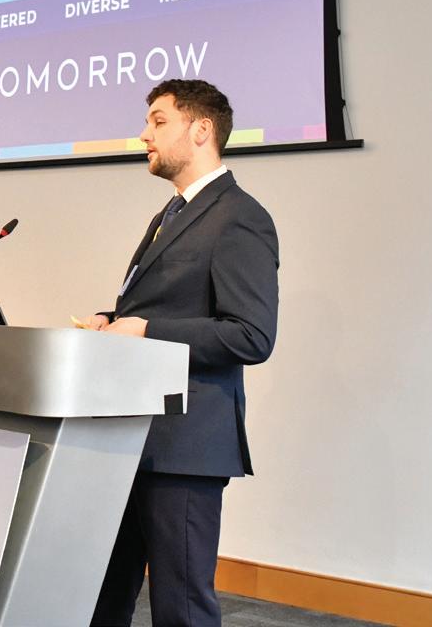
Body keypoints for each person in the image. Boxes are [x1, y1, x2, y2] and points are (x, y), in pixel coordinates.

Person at [81, 80, 279, 626]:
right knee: (102, 597)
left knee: (181, 608)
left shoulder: (239, 216)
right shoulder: (170, 214)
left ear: (201, 129)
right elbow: (165, 305)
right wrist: (112, 321)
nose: (144, 134)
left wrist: (146, 330)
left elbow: (251, 335)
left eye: (158, 121)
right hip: (129, 435)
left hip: (185, 445)